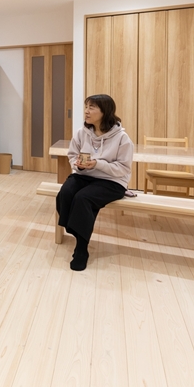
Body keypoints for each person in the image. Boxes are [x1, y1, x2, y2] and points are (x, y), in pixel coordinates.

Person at [57, 94, 133, 271]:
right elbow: (72, 154)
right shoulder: (82, 132)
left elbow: (123, 169)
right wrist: (78, 165)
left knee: (83, 199)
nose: (86, 111)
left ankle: (81, 249)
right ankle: (77, 230)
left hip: (112, 181)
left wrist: (97, 164)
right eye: (86, 107)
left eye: (91, 108)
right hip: (85, 175)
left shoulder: (122, 138)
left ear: (105, 111)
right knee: (65, 193)